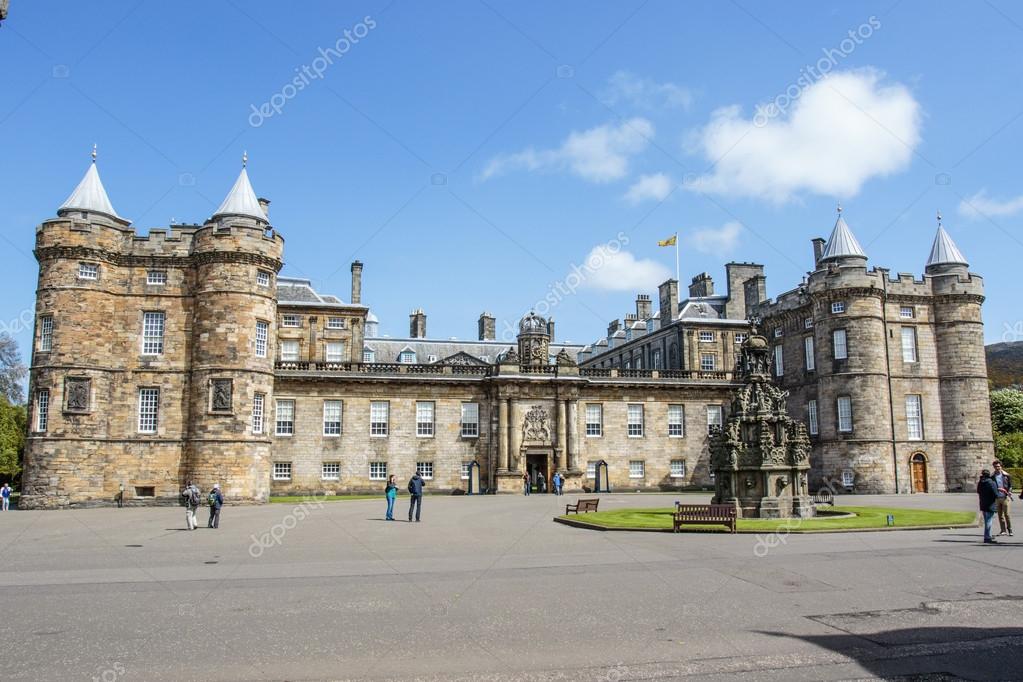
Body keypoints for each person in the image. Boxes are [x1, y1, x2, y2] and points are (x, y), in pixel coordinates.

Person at [978, 469, 999, 544]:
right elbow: (996, 494)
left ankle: (988, 535)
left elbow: (978, 491)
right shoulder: (991, 482)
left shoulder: (980, 482)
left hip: (983, 503)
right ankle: (987, 537)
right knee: (989, 521)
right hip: (990, 504)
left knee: (987, 520)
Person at [992, 460, 1013, 536]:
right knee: (1000, 515)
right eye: (995, 467)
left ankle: (1010, 530)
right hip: (997, 498)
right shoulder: (992, 476)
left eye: (998, 466)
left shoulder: (1006, 475)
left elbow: (1010, 486)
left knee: (1007, 514)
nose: (997, 468)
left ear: (1001, 466)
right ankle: (1003, 530)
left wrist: (1009, 492)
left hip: (1005, 497)